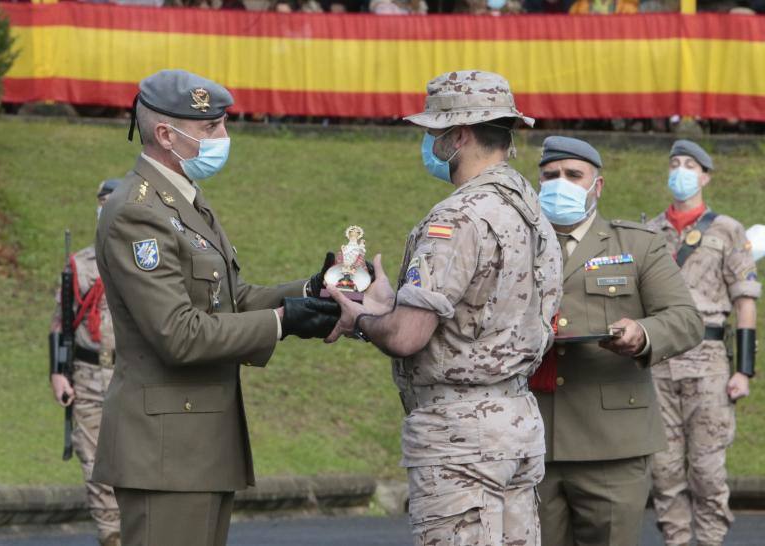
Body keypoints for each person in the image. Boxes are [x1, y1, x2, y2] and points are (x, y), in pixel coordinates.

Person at [92, 69, 340, 546]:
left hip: (196, 446)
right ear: (166, 134)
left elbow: (229, 299)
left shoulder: (182, 201)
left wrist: (308, 291)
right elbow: (179, 334)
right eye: (210, 128)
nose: (223, 137)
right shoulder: (137, 211)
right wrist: (282, 322)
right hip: (165, 453)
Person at [325, 70, 563, 546]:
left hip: (459, 438)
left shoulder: (457, 217)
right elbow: (480, 312)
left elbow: (409, 336)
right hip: (515, 421)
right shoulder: (531, 211)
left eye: (435, 132)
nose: (430, 143)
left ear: (459, 135)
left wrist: (363, 319)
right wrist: (393, 303)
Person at [531, 136, 704, 546]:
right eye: (550, 176)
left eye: (574, 175)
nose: (561, 184)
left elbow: (686, 319)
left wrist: (643, 334)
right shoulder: (517, 246)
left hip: (611, 443)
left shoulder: (637, 245)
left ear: (598, 186)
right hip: (530, 438)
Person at [646, 140, 760, 546]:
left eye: (690, 164)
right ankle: (676, 541)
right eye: (675, 163)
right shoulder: (650, 231)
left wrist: (743, 370)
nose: (681, 170)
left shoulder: (727, 230)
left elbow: (745, 301)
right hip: (659, 363)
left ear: (706, 175)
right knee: (664, 470)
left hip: (709, 359)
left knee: (708, 471)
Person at [49, 179, 122, 546]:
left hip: (132, 375)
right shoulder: (79, 263)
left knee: (136, 464)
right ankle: (111, 538)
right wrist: (58, 374)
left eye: (112, 202)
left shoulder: (144, 260)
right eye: (102, 203)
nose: (105, 209)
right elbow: (61, 321)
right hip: (88, 375)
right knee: (94, 466)